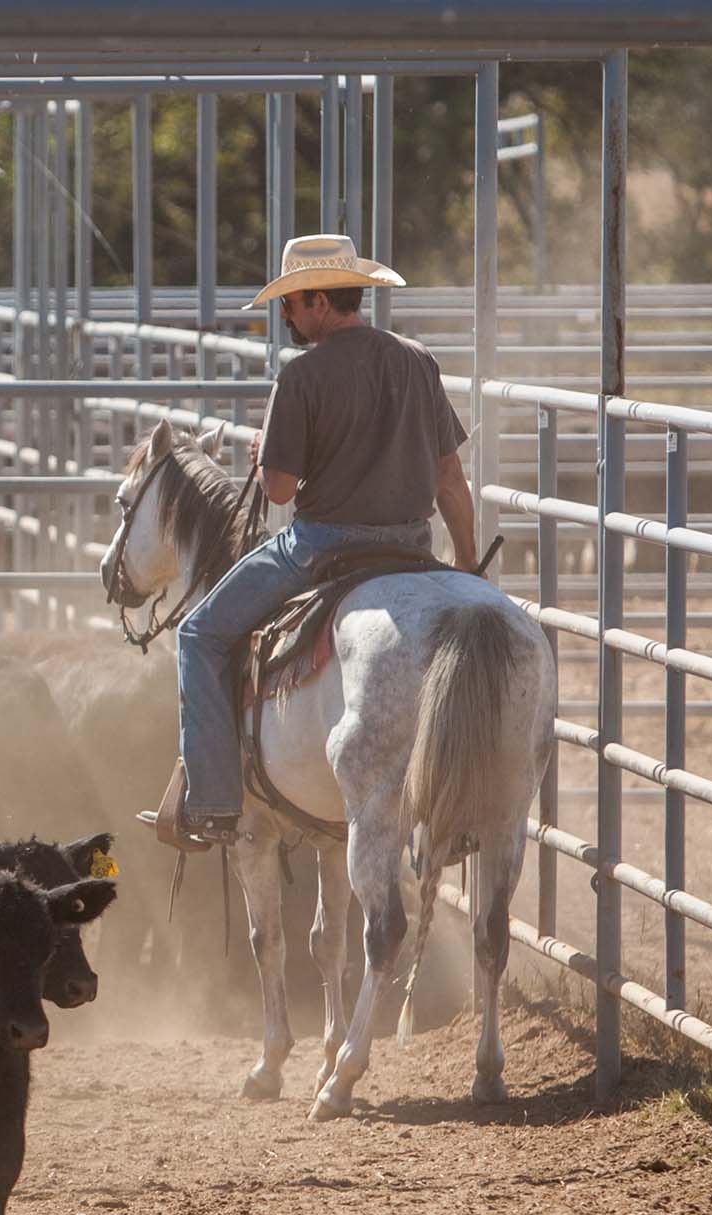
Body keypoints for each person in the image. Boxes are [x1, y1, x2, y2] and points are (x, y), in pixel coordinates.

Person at [173, 234, 478, 845]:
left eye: (289, 303)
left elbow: (280, 492)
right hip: (413, 549)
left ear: (316, 301)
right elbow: (450, 477)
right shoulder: (417, 359)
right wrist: (468, 564)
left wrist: (264, 453)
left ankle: (212, 802)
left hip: (322, 548)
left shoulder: (303, 375)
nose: (284, 315)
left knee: (199, 635)